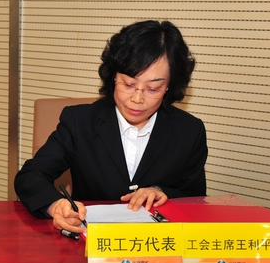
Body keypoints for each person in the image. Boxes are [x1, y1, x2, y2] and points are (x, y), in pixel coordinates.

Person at [14, 20, 207, 234]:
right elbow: (31, 176)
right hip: (91, 241)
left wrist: (162, 192)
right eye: (129, 84)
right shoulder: (80, 121)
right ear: (114, 76)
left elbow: (196, 198)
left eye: (153, 89)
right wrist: (55, 205)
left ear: (170, 86)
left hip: (156, 243)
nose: (137, 99)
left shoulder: (189, 131)